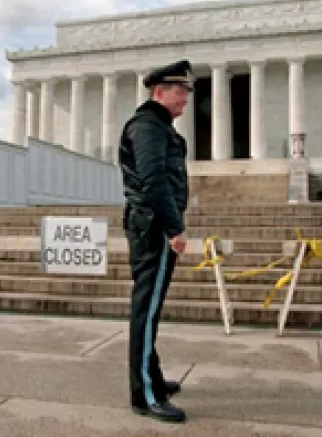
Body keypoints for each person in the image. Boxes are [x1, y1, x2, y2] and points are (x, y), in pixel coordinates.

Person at [117, 59, 192, 423]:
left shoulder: (159, 127)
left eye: (188, 92)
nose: (186, 98)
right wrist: (175, 228)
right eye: (180, 91)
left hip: (151, 225)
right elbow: (153, 180)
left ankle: (154, 380)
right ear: (158, 92)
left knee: (149, 310)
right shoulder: (148, 127)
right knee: (146, 313)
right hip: (154, 229)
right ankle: (145, 395)